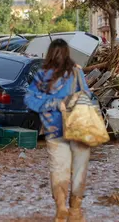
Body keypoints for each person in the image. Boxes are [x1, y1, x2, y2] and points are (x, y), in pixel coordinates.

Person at [24, 39, 92, 222]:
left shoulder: (42, 75)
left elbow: (29, 100)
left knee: (59, 170)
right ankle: (75, 209)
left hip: (54, 131)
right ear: (67, 53)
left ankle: (61, 207)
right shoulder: (77, 71)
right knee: (78, 170)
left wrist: (50, 104)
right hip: (78, 129)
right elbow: (88, 95)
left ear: (50, 53)